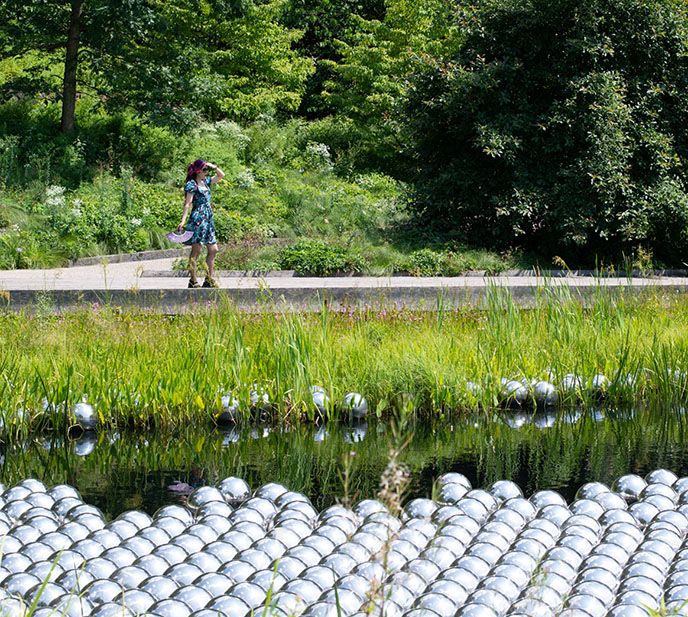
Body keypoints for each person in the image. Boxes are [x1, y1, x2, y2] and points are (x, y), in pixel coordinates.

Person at [177, 158, 225, 288]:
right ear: (197, 171)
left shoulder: (207, 181)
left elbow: (222, 175)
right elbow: (188, 203)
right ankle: (193, 280)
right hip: (197, 219)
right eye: (204, 169)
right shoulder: (192, 184)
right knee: (196, 250)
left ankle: (209, 279)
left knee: (213, 249)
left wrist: (213, 166)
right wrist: (183, 221)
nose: (206, 172)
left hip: (208, 219)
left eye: (206, 169)